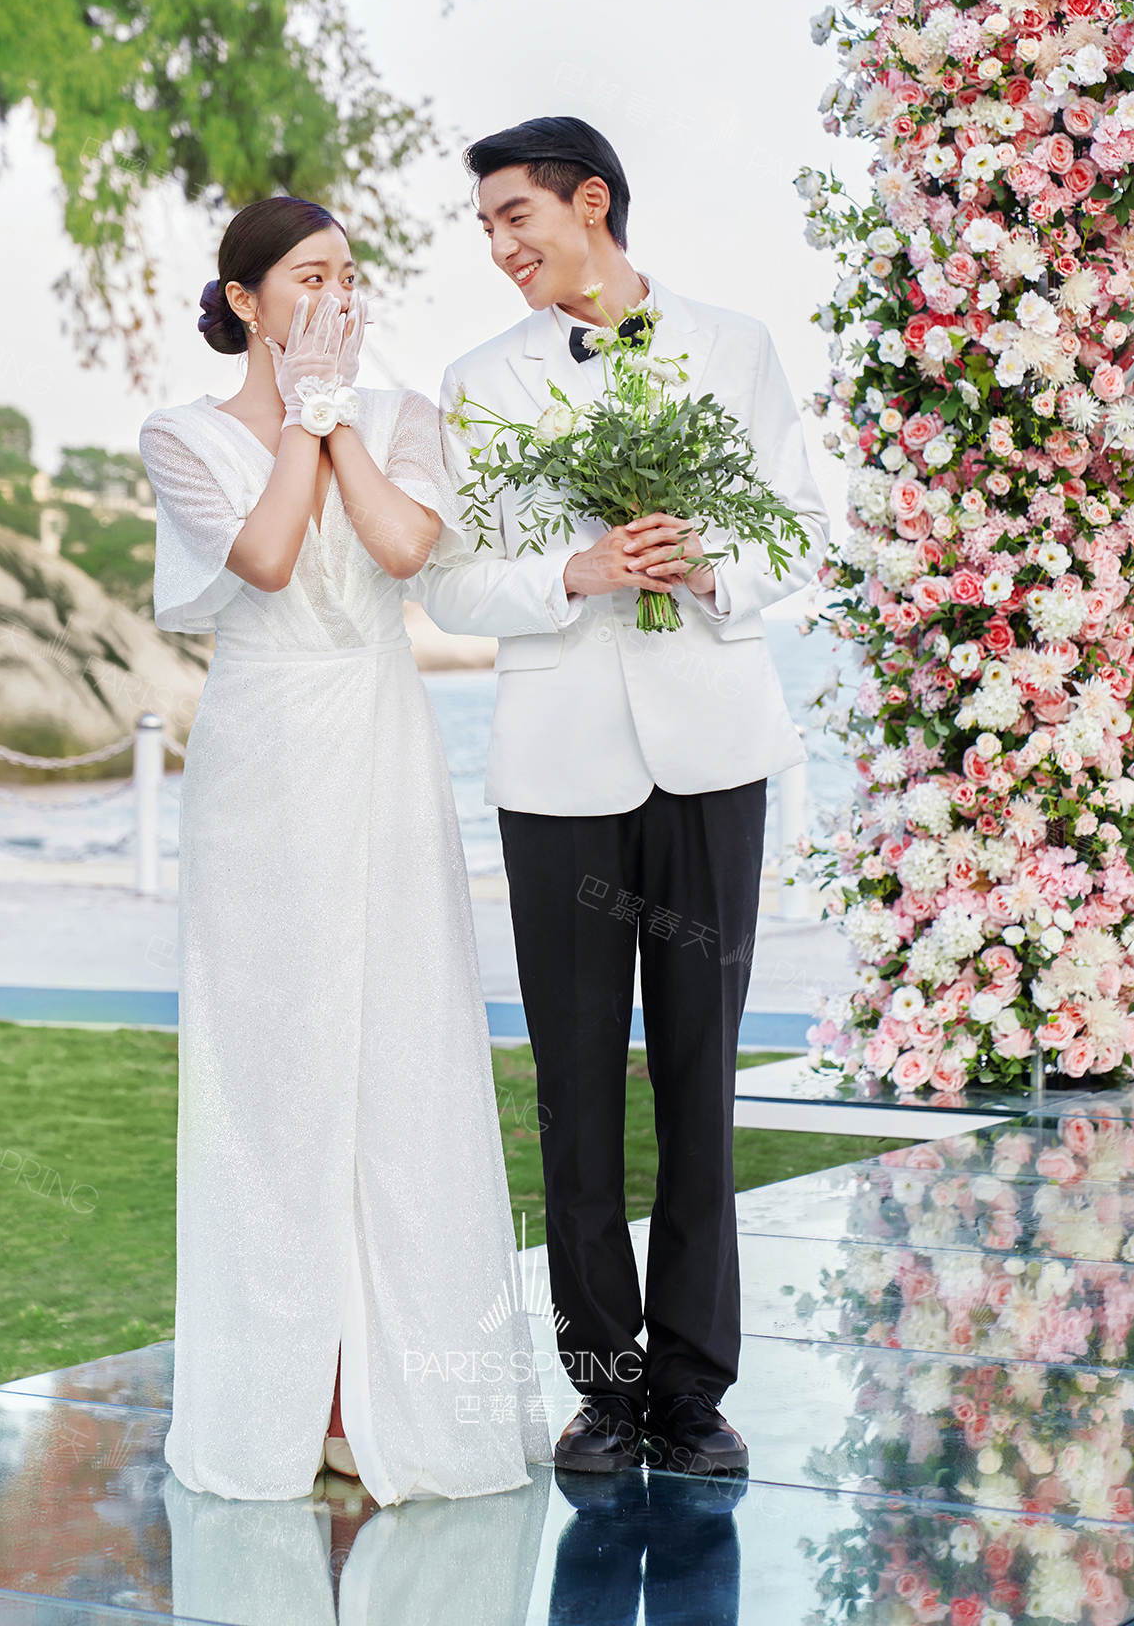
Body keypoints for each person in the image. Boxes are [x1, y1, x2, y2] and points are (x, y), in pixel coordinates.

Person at [418, 118, 829, 1477]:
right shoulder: (478, 382)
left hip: (713, 754)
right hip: (557, 772)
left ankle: (695, 1392)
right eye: (486, 227)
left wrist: (705, 564)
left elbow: (801, 530)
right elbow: (448, 583)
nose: (499, 247)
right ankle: (602, 1388)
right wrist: (572, 575)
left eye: (514, 218)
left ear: (590, 202)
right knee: (574, 1086)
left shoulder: (736, 346)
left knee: (702, 1077)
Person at [139, 195, 549, 1507]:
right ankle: (286, 1399)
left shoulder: (403, 416)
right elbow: (265, 557)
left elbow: (404, 546)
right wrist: (301, 422)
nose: (337, 298)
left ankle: (393, 1402)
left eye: (349, 277)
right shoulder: (180, 436)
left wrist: (338, 420)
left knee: (397, 1049)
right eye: (308, 277)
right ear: (246, 300)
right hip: (261, 756)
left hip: (379, 738)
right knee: (276, 1062)